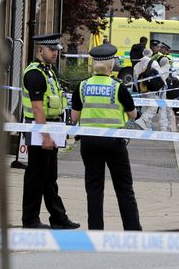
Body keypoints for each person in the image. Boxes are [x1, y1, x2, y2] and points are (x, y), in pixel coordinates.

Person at [70, 43, 142, 231]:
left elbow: (74, 117)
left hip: (89, 143)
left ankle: (95, 229)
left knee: (94, 188)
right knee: (124, 188)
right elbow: (133, 114)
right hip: (114, 143)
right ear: (111, 65)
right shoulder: (118, 87)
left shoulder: (82, 86)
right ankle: (132, 229)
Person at [21, 33, 80, 229]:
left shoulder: (49, 71)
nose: (55, 53)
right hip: (39, 129)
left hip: (51, 127)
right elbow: (37, 108)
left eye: (56, 50)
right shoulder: (35, 74)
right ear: (40, 50)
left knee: (49, 177)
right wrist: (45, 136)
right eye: (51, 50)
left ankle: (58, 218)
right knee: (35, 177)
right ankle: (30, 220)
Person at [133, 48, 163, 130]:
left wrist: (139, 89)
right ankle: (143, 120)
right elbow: (161, 75)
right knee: (154, 105)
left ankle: (146, 126)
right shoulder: (154, 63)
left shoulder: (137, 65)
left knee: (145, 106)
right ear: (151, 54)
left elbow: (135, 79)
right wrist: (160, 88)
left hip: (142, 89)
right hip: (151, 89)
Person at [158, 57, 174, 131]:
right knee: (169, 109)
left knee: (163, 109)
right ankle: (170, 125)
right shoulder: (172, 70)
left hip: (163, 92)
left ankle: (163, 127)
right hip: (171, 92)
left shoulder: (160, 70)